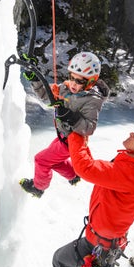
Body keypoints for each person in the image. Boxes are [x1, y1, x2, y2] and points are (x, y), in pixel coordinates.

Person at [53, 125, 134, 267]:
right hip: (110, 244)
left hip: (99, 244)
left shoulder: (132, 173)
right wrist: (81, 139)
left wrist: (75, 133)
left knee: (59, 261)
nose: (131, 133)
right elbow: (94, 166)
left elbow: (86, 168)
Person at [19, 52, 110, 198]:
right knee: (53, 161)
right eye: (71, 77)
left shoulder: (93, 100)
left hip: (72, 141)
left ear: (91, 81)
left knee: (41, 160)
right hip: (63, 136)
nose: (73, 83)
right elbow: (45, 96)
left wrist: (70, 117)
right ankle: (72, 174)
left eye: (79, 81)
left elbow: (89, 127)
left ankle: (38, 187)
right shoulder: (66, 88)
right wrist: (34, 77)